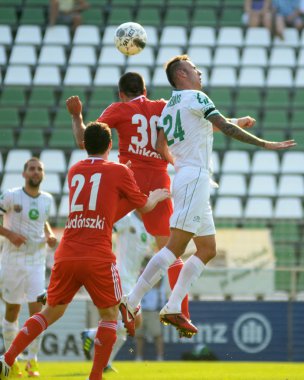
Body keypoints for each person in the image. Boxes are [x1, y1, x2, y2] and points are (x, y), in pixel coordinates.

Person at [119, 54, 296, 339]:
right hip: (194, 179)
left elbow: (159, 142)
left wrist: (176, 162)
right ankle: (131, 300)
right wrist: (264, 144)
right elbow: (224, 126)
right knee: (174, 248)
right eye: (193, 69)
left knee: (207, 249)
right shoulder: (199, 99)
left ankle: (173, 305)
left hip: (191, 178)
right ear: (181, 76)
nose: (199, 73)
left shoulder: (169, 108)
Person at [66, 72, 255, 331]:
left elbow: (83, 140)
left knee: (94, 227)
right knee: (172, 251)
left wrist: (77, 115)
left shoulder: (119, 108)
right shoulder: (165, 106)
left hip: (127, 178)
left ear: (122, 94)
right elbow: (197, 126)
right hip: (158, 182)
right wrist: (236, 120)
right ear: (145, 89)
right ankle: (180, 310)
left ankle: (84, 282)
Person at [0, 122, 169, 380]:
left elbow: (106, 207)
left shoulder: (74, 170)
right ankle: (95, 376)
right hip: (97, 254)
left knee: (50, 312)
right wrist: (156, 195)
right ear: (110, 145)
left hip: (67, 252)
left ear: (85, 145)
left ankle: (7, 359)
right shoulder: (117, 171)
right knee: (110, 314)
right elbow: (144, 206)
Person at [0, 157, 57, 378]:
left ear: (43, 174)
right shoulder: (10, 195)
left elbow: (43, 221)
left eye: (39, 169)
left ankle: (32, 361)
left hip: (36, 262)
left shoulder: (48, 200)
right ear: (24, 174)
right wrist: (9, 234)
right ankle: (11, 362)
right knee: (12, 310)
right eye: (31, 169)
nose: (35, 172)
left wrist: (50, 234)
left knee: (38, 313)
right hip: (12, 261)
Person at [81, 210, 155, 371]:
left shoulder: (150, 228)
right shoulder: (127, 218)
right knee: (134, 321)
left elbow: (146, 255)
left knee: (127, 324)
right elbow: (106, 231)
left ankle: (103, 359)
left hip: (133, 281)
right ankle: (93, 337)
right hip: (120, 276)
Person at [135, 276, 165, 362]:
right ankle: (138, 357)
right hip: (140, 310)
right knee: (139, 335)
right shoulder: (139, 275)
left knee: (157, 335)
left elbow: (158, 283)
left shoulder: (159, 275)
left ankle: (160, 357)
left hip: (153, 310)